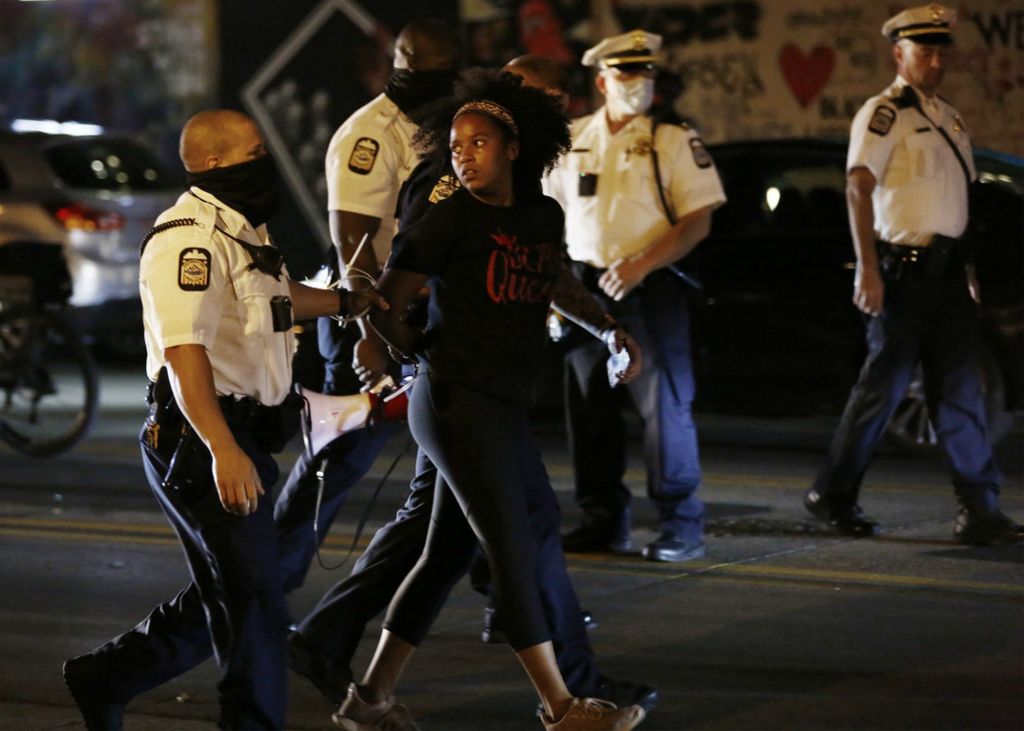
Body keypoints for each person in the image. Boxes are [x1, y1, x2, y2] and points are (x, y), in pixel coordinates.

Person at [289, 59, 659, 718]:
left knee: (440, 553)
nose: (463, 157)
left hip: (504, 398)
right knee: (516, 544)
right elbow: (388, 299)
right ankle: (563, 704)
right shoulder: (446, 211)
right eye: (457, 145)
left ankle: (368, 695)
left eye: (477, 144)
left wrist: (608, 329)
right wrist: (412, 355)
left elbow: (551, 280)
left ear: (517, 144)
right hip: (458, 399)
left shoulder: (540, 214)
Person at [60, 109, 386, 731]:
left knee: (238, 589)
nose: (265, 161)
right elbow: (186, 353)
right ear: (215, 164)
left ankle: (108, 676)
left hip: (239, 435)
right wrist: (222, 449)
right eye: (255, 151)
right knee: (256, 602)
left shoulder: (240, 229)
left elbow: (278, 298)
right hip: (200, 439)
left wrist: (348, 301)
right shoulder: (190, 237)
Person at [803, 5, 1023, 546]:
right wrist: (869, 269)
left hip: (947, 276)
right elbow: (858, 188)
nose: (935, 60)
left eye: (941, 50)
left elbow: (956, 202)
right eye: (924, 51)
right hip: (902, 273)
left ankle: (979, 509)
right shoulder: (884, 113)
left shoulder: (948, 116)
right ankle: (832, 496)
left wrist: (967, 268)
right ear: (898, 54)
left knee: (960, 393)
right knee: (882, 390)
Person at [273, 18, 462, 594]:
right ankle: (268, 577)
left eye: (441, 74)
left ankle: (503, 593)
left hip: (429, 312)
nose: (431, 82)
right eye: (418, 70)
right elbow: (352, 241)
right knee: (342, 456)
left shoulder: (449, 121)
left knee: (462, 466)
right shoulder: (370, 135)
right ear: (395, 64)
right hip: (373, 309)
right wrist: (370, 327)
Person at [545, 30, 727, 563]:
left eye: (645, 73)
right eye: (627, 74)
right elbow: (546, 215)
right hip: (583, 289)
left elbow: (698, 221)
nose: (639, 83)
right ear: (602, 82)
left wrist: (642, 262)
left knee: (664, 408)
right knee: (589, 410)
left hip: (650, 290)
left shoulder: (671, 139)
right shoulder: (573, 138)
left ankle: (681, 524)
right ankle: (603, 519)